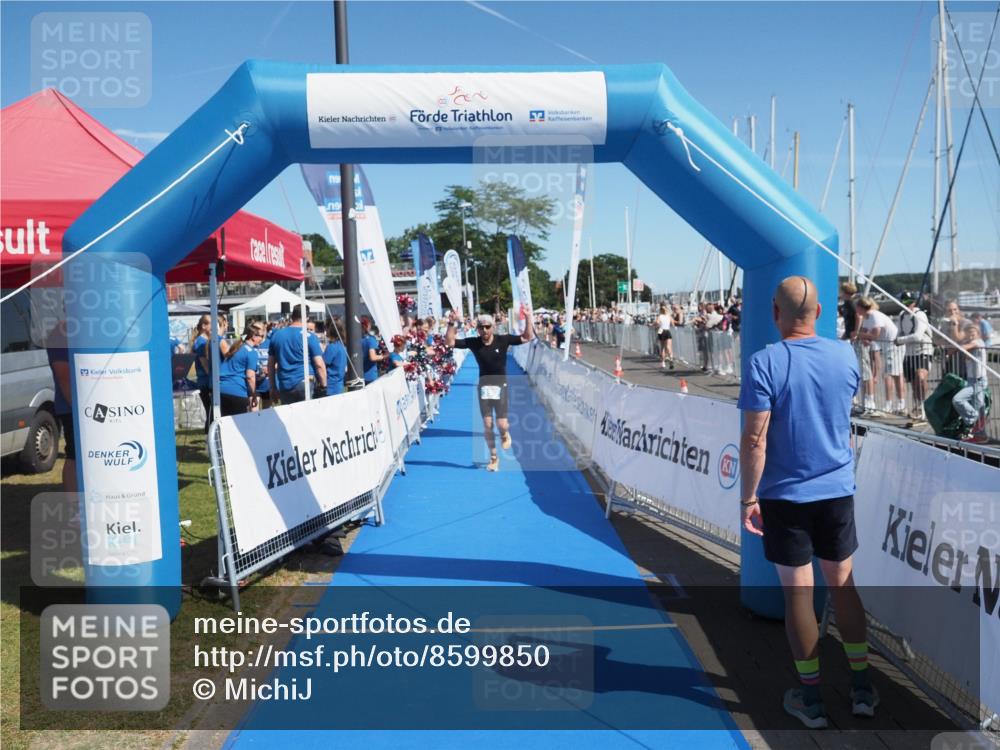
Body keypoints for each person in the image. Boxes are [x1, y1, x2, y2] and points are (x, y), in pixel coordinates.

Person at [738, 275, 875, 729]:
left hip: (786, 496)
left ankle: (812, 699)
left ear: (775, 313)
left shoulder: (765, 362)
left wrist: (747, 498)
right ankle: (862, 689)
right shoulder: (844, 355)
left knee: (798, 593)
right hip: (836, 491)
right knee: (843, 586)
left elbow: (754, 441)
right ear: (818, 313)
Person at [445, 313, 534, 472]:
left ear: (493, 327)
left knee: (501, 424)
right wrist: (451, 323)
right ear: (477, 329)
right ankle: (494, 458)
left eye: (487, 327)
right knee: (487, 424)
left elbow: (527, 337)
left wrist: (528, 317)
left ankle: (505, 433)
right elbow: (450, 342)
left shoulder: (503, 340)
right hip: (484, 387)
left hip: (501, 385)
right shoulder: (474, 342)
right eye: (481, 327)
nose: (485, 330)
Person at [267, 305, 326, 404]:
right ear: (306, 317)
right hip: (305, 382)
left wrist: (272, 387)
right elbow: (319, 364)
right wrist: (324, 386)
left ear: (292, 316)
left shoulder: (277, 335)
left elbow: (270, 364)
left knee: (289, 418)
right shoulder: (310, 336)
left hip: (285, 384)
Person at [45, 321, 76, 493]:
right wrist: (79, 411)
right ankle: (75, 508)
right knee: (75, 455)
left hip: (95, 407)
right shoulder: (61, 333)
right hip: (72, 408)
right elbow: (63, 375)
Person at [895, 292, 933, 421]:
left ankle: (923, 406)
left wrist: (900, 341)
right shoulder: (901, 316)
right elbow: (898, 333)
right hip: (909, 353)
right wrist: (899, 339)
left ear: (914, 302)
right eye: (905, 302)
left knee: (920, 377)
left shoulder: (920, 314)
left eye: (910, 302)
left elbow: (917, 336)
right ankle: (918, 406)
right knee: (914, 383)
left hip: (923, 350)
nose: (908, 305)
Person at [191, 313, 230, 433]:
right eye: (212, 324)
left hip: (209, 380)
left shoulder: (206, 340)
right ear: (204, 326)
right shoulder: (201, 342)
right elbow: (205, 363)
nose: (215, 326)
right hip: (206, 381)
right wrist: (214, 378)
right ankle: (209, 438)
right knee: (211, 411)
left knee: (214, 411)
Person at [952, 321, 989, 443]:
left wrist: (957, 348)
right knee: (978, 407)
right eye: (969, 334)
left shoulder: (978, 342)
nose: (971, 336)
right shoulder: (970, 344)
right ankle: (978, 430)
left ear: (978, 333)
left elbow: (964, 347)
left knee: (960, 400)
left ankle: (978, 429)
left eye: (973, 333)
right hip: (972, 380)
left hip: (979, 381)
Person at [218, 322, 264, 416]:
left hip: (221, 390)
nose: (262, 339)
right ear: (254, 337)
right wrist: (254, 395)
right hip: (237, 391)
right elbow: (250, 376)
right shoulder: (251, 352)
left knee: (225, 425)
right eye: (261, 336)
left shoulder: (236, 348)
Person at [322, 317, 348, 395]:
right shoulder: (342, 346)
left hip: (331, 387)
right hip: (339, 385)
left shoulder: (332, 347)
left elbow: (322, 363)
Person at [361, 318, 388, 383]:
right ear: (368, 326)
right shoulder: (371, 339)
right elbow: (373, 357)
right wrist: (385, 356)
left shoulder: (357, 339)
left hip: (358, 376)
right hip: (370, 376)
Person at [655, 303, 674, 370]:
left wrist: (657, 325)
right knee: (668, 347)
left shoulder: (659, 316)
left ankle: (663, 363)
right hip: (667, 331)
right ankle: (671, 358)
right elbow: (673, 324)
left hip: (661, 331)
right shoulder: (669, 316)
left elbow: (657, 323)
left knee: (662, 347)